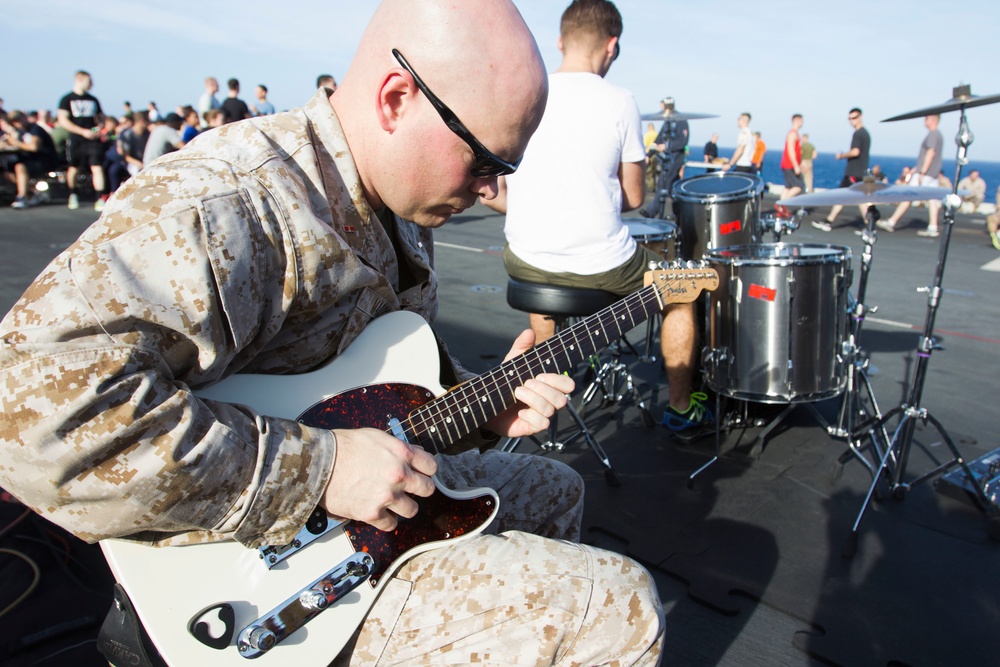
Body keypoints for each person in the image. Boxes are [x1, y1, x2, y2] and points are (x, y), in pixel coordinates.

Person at [0, 1, 665, 665]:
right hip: (242, 570)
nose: (492, 190)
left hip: (349, 529)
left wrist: (481, 407)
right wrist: (322, 469)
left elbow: (370, 395)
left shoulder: (401, 215)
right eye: (484, 159)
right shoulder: (230, 205)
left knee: (554, 489)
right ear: (397, 97)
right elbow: (27, 418)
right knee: (622, 607)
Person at [488, 0, 712, 438]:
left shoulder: (526, 92)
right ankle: (683, 409)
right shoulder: (620, 101)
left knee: (544, 270)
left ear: (560, 40)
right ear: (612, 46)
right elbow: (633, 196)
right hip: (600, 267)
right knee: (683, 289)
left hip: (524, 260)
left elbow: (497, 188)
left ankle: (549, 396)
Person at [877, 114, 944, 237]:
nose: (925, 121)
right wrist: (914, 170)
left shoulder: (933, 135)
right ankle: (933, 227)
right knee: (932, 199)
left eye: (927, 118)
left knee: (908, 195)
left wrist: (922, 172)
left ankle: (892, 222)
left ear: (933, 120)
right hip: (932, 174)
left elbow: (930, 153)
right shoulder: (938, 135)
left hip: (926, 174)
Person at [812, 107, 870, 231]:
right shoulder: (865, 133)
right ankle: (829, 220)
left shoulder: (859, 134)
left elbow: (856, 151)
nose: (851, 121)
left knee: (852, 197)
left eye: (854, 118)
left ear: (860, 117)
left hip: (854, 172)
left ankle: (868, 225)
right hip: (858, 171)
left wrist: (842, 155)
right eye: (849, 119)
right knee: (848, 197)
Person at [57, 70, 107, 211]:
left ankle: (99, 197)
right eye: (89, 81)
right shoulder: (67, 99)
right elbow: (63, 120)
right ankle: (73, 194)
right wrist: (82, 132)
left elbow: (101, 116)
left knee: (97, 167)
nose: (92, 84)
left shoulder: (93, 99)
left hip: (92, 139)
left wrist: (100, 126)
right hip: (76, 138)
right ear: (80, 80)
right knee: (74, 167)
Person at [639, 96, 689, 218]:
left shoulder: (680, 120)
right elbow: (659, 138)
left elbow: (682, 142)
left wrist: (667, 146)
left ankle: (656, 212)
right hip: (668, 157)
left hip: (676, 157)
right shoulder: (667, 121)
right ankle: (676, 212)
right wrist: (648, 154)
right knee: (668, 186)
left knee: (666, 184)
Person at [0, 110, 58, 208]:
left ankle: (22, 197)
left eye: (19, 119)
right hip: (28, 160)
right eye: (14, 121)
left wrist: (17, 143)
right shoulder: (19, 131)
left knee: (20, 166)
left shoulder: (35, 129)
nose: (18, 123)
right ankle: (35, 191)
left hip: (44, 160)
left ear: (24, 118)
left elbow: (34, 147)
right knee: (4, 170)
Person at [780, 114, 804, 200]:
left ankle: (782, 207)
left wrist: (800, 164)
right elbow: (791, 150)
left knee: (788, 186)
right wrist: (796, 165)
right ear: (797, 121)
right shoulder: (792, 134)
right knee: (799, 186)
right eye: (801, 121)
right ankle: (782, 203)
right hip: (789, 164)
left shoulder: (795, 134)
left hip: (789, 164)